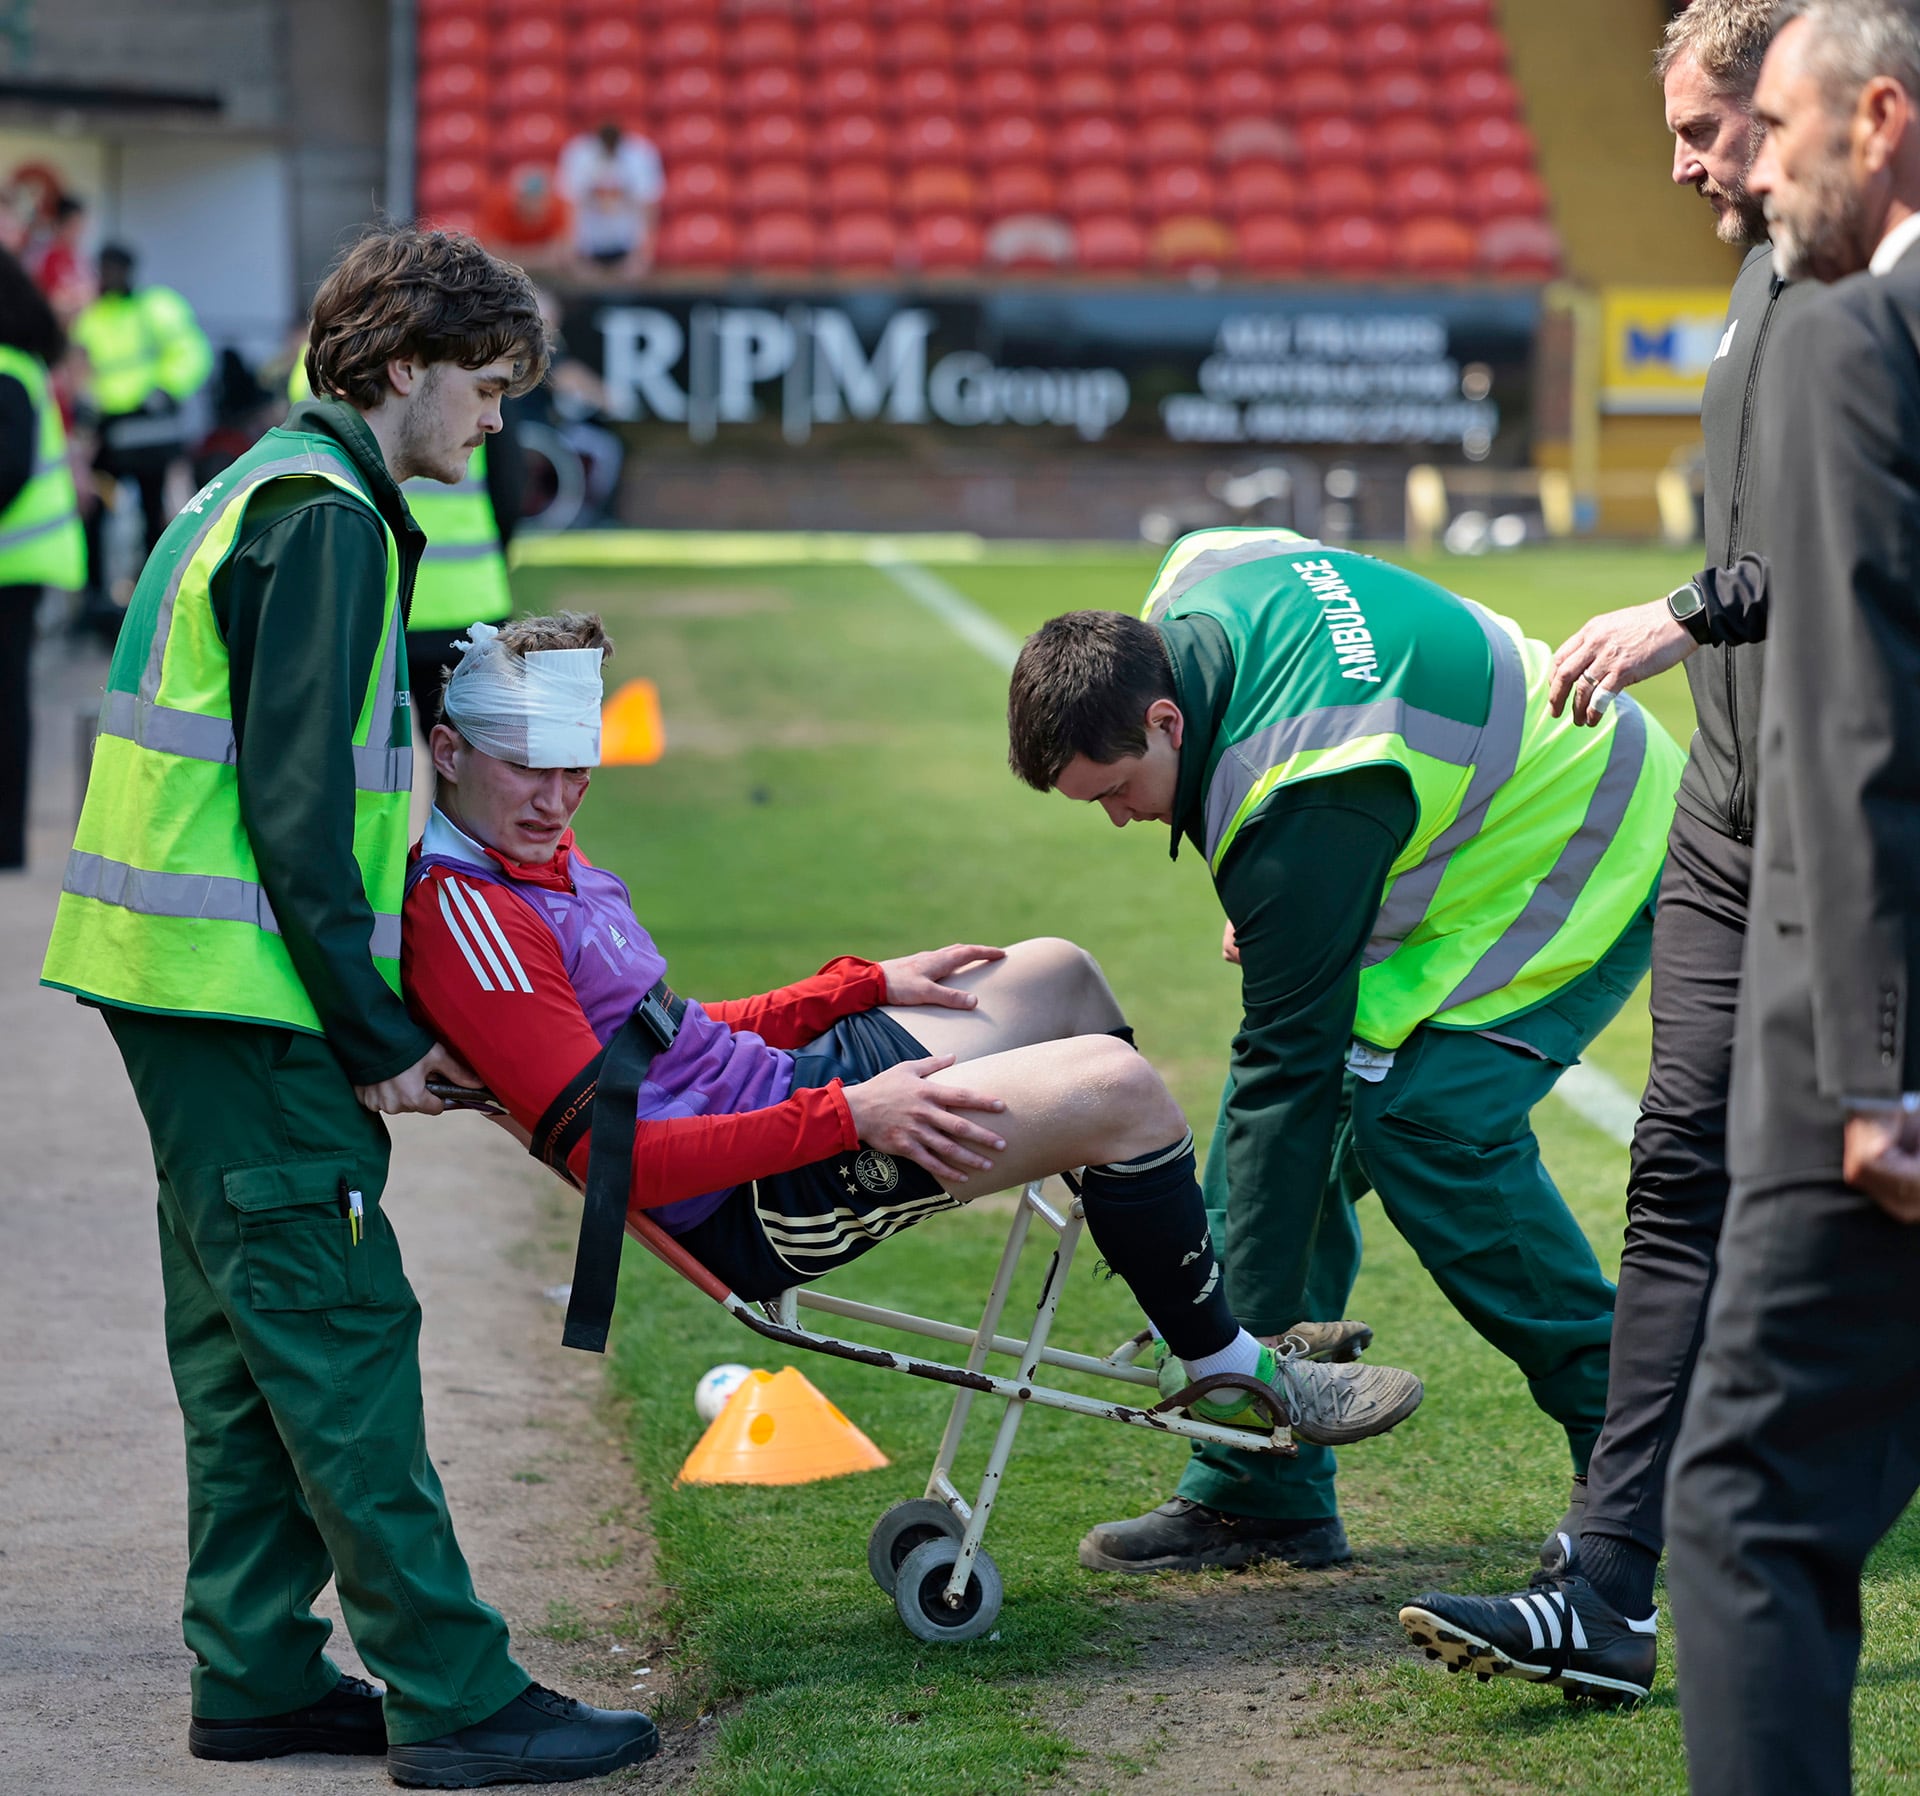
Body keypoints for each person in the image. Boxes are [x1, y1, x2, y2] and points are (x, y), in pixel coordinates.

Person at [40, 225, 660, 1787]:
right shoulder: (323, 519)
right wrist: (378, 1037)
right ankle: (454, 1693)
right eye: (486, 385)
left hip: (186, 988)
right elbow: (302, 811)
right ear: (399, 368)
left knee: (245, 1343)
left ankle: (255, 1670)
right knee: (339, 1335)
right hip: (247, 998)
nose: (500, 419)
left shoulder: (269, 489)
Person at [401, 611, 1427, 1456]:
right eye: (529, 769)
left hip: (787, 1092)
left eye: (576, 770)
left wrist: (859, 987)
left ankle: (1187, 1323)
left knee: (1057, 971)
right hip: (756, 1195)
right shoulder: (470, 915)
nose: (557, 798)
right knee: (1117, 1088)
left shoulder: (539, 854)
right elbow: (617, 1158)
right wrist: (852, 1114)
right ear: (448, 751)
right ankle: (1229, 1372)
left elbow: (669, 1032)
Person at [1396, 0, 1819, 1706]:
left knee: (1846, 1202)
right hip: (1728, 813)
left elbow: (1870, 544)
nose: (1685, 166)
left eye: (1706, 130)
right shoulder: (1762, 277)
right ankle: (1608, 1590)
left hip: (1866, 825)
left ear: (1799, 104)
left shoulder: (1887, 285)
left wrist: (1689, 611)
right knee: (1676, 1176)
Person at [1005, 531, 1683, 1581]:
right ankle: (1257, 1493)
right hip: (1450, 837)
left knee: (1426, 1121)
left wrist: (1242, 1341)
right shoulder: (1194, 581)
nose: (1119, 817)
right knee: (1274, 1155)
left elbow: (1289, 1067)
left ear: (1166, 718)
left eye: (1117, 787)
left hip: (1587, 829)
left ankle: (1645, 1457)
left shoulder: (1302, 797)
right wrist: (1308, 886)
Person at [1664, 5, 1920, 1791]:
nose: (1755, 168)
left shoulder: (1853, 337)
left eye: (1779, 126)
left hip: (1860, 1039)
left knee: (1750, 1501)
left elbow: (1856, 725)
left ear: (1878, 118)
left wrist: (1873, 1070)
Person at [69, 242, 211, 627]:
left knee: (152, 513)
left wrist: (166, 388)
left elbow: (192, 352)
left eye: (114, 269)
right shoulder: (92, 318)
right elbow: (80, 368)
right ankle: (97, 598)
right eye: (104, 269)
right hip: (110, 433)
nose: (109, 277)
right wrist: (87, 402)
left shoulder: (156, 308)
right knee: (96, 512)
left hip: (150, 433)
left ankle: (151, 596)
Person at [0, 243, 84, 870]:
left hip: (13, 562)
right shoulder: (20, 366)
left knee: (7, 702)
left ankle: (6, 840)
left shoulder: (7, 370)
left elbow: (7, 469)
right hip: (22, 560)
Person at [555, 121, 664, 280]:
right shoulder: (578, 153)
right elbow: (569, 204)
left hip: (627, 245)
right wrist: (573, 254)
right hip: (588, 246)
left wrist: (643, 257)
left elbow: (649, 206)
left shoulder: (641, 153)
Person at [478, 163, 573, 275]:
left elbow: (561, 256)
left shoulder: (558, 208)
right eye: (529, 198)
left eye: (538, 199)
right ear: (518, 198)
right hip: (507, 275)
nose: (533, 204)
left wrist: (515, 257)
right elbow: (494, 256)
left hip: (545, 275)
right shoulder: (499, 207)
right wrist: (541, 257)